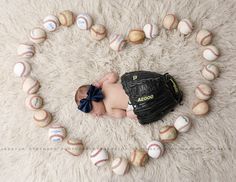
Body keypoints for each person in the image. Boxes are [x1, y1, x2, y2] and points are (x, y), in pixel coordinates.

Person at [75, 70, 183, 125]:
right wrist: (101, 81)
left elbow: (121, 114)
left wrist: (108, 114)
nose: (94, 115)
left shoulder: (109, 109)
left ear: (94, 98)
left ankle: (168, 95)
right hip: (135, 91)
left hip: (135, 94)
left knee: (130, 113)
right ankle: (164, 86)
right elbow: (113, 76)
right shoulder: (106, 85)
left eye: (91, 111)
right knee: (132, 111)